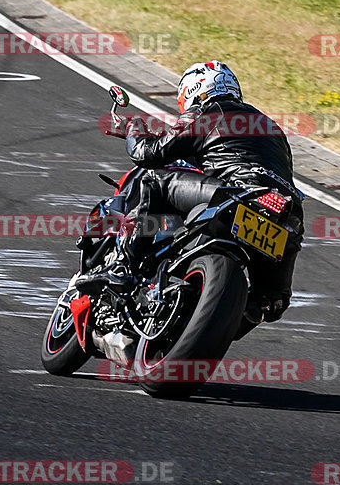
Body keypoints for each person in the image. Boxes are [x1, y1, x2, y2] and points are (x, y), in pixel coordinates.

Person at [95, 61, 303, 327]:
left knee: (153, 180)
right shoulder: (272, 128)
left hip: (234, 192)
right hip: (285, 210)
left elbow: (148, 154)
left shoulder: (206, 111)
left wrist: (134, 128)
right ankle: (238, 312)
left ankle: (126, 264)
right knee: (270, 302)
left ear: (194, 91)